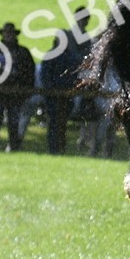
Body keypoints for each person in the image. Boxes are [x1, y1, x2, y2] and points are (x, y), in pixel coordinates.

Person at [41, 9, 91, 155]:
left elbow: (74, 71)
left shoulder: (70, 54)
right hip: (56, 92)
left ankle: (58, 147)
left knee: (60, 122)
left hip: (64, 92)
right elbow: (46, 74)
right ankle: (54, 148)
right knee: (55, 122)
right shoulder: (57, 56)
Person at [0, 22, 35, 152]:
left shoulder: (22, 52)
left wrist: (25, 89)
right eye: (6, 33)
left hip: (15, 92)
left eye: (10, 33)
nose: (8, 35)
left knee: (13, 121)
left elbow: (29, 72)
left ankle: (14, 146)